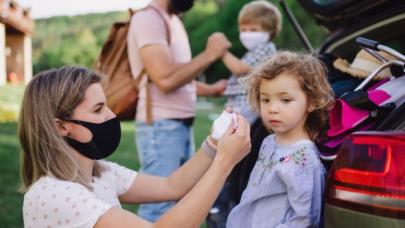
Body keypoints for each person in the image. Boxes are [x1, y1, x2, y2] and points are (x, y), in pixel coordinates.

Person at [19, 66, 251, 228]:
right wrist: (224, 163)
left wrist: (213, 144)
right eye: (98, 109)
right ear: (61, 126)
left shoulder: (100, 172)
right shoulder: (56, 194)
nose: (111, 115)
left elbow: (171, 186)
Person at [127, 0, 231, 221]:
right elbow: (164, 78)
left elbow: (179, 75)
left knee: (183, 204)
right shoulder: (148, 18)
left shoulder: (173, 20)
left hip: (178, 125)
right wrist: (210, 54)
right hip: (161, 127)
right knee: (158, 208)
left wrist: (209, 90)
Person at [226, 51, 335, 228]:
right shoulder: (269, 141)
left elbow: (304, 219)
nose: (272, 108)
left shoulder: (305, 161)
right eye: (265, 99)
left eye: (285, 100)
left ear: (312, 102)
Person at [207, 2, 282, 225]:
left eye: (253, 29)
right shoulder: (253, 51)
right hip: (239, 105)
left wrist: (222, 53)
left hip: (249, 109)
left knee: (233, 149)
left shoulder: (265, 49)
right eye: (244, 30)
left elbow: (241, 69)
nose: (246, 34)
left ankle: (225, 204)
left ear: (268, 31)